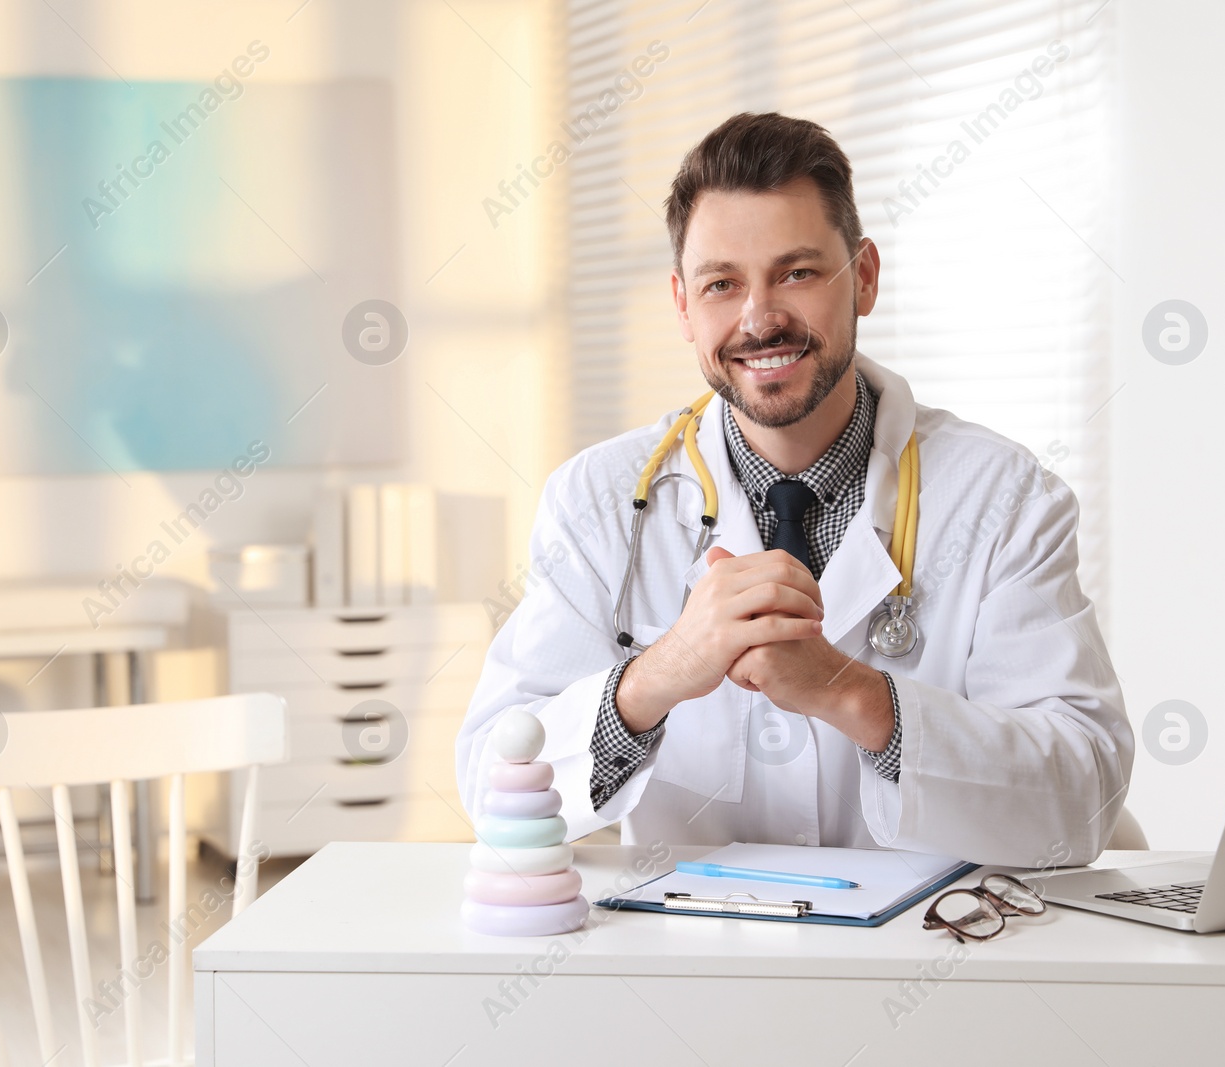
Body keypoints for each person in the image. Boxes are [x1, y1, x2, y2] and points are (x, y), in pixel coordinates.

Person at [456, 112, 1132, 867]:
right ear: (682, 304)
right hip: (692, 964)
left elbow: (1087, 794)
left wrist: (857, 695)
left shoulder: (1004, 498)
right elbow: (490, 780)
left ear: (865, 277)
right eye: (722, 284)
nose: (760, 318)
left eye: (797, 272)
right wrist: (655, 677)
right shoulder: (598, 499)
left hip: (931, 955)